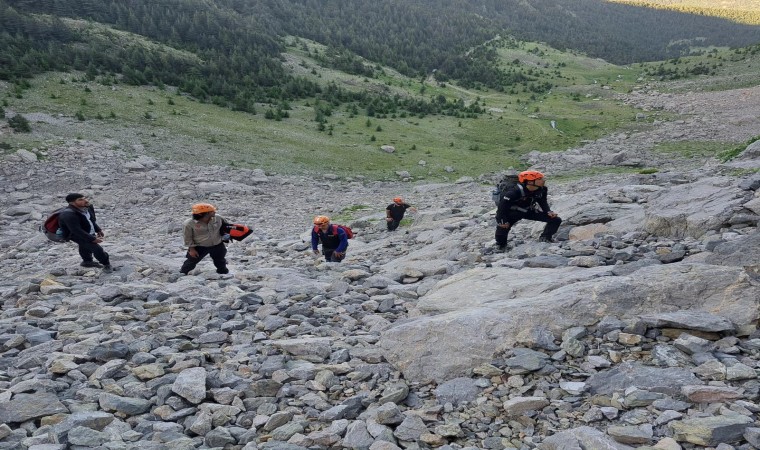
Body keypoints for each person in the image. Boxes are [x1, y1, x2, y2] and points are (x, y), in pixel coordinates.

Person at [495, 170, 562, 250]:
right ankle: (501, 246)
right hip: (513, 212)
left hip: (528, 210)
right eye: (539, 179)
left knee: (555, 220)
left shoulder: (542, 189)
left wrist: (548, 211)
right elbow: (502, 207)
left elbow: (543, 202)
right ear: (530, 182)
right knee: (503, 227)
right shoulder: (513, 192)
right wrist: (502, 221)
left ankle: (545, 238)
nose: (543, 180)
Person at [58, 193, 113, 272]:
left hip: (87, 230)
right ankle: (106, 264)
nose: (86, 200)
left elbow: (91, 220)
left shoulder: (88, 207)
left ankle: (87, 261)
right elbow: (76, 230)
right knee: (97, 249)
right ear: (72, 203)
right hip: (74, 234)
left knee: (84, 245)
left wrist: (98, 229)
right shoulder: (68, 214)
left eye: (84, 198)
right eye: (80, 200)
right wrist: (92, 239)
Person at [181, 203, 230, 275]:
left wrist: (227, 235)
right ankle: (182, 273)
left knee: (220, 260)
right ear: (203, 214)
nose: (214, 212)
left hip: (217, 244)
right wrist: (192, 249)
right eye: (211, 211)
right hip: (200, 246)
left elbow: (227, 226)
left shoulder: (218, 218)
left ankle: (223, 272)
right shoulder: (189, 224)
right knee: (191, 261)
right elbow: (188, 237)